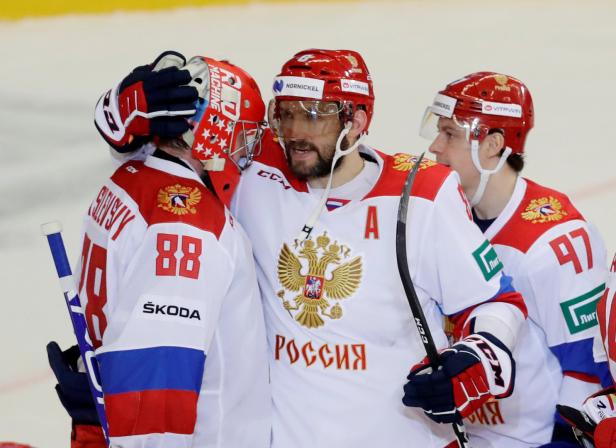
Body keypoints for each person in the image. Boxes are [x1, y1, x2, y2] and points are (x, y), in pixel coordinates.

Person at [91, 49, 528, 447]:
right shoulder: (254, 169)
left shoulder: (424, 196)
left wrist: (477, 358)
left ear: (355, 122)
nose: (296, 132)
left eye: (315, 116)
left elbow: (496, 302)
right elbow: (167, 138)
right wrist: (128, 106)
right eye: (287, 114)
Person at [49, 52, 271, 448]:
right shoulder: (188, 226)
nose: (246, 151)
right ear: (211, 132)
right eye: (241, 134)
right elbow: (159, 375)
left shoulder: (133, 172)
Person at [420, 72, 610, 447]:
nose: (435, 148)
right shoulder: (439, 218)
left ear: (492, 145)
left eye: (450, 135)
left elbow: (588, 376)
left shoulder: (554, 242)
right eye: (438, 132)